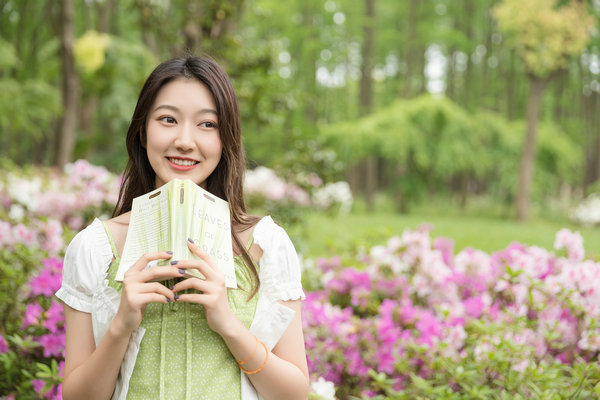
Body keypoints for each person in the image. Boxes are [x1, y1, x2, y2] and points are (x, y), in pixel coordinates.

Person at [56, 56, 310, 400]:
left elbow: (294, 394)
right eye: (168, 120)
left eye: (207, 124)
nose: (185, 141)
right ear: (142, 132)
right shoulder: (95, 248)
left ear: (226, 139)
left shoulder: (265, 244)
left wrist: (229, 324)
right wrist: (121, 325)